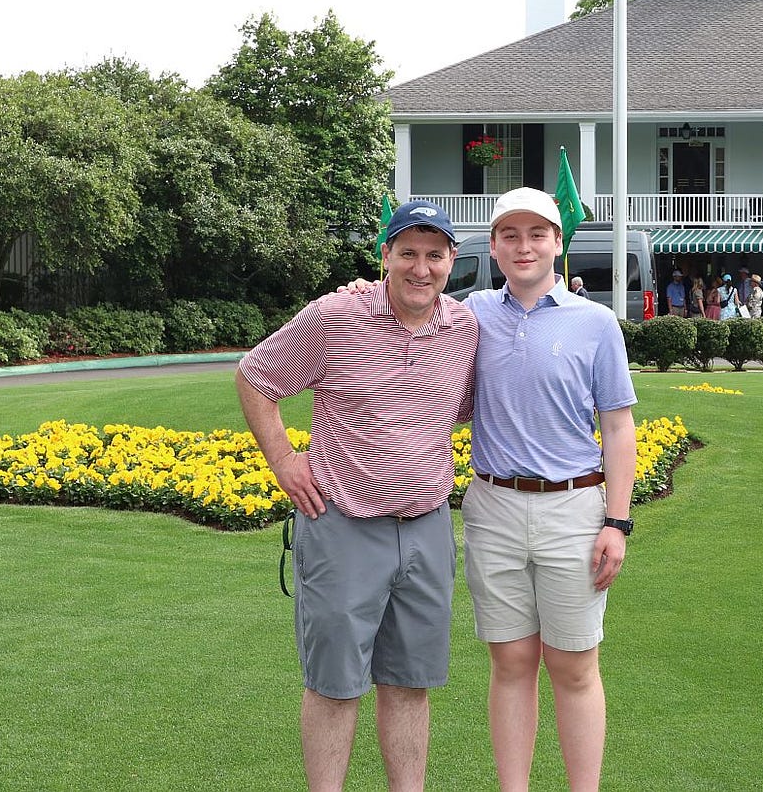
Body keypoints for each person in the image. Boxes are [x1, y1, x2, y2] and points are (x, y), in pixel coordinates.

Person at [236, 200, 477, 792]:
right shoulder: (337, 316)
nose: (421, 268)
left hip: (425, 528)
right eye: (408, 253)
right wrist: (284, 460)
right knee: (335, 684)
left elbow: (468, 405)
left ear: (452, 261)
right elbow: (255, 374)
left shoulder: (464, 328)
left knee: (409, 683)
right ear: (385, 256)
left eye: (435, 255)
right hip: (343, 525)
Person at [462, 186, 638, 792]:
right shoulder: (471, 314)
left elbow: (617, 426)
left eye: (537, 234)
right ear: (492, 246)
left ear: (558, 244)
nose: (524, 246)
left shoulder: (596, 322)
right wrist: (364, 288)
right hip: (493, 507)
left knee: (573, 665)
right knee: (511, 662)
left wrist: (617, 524)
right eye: (509, 235)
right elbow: (402, 304)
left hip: (575, 508)